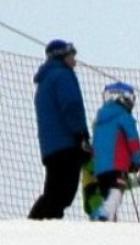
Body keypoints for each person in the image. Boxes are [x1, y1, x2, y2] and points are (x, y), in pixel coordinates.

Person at [29, 39, 91, 220]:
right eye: (72, 55)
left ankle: (43, 223)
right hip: (66, 144)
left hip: (51, 146)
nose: (75, 60)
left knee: (54, 190)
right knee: (62, 192)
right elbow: (71, 106)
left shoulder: (45, 80)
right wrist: (81, 134)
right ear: (62, 56)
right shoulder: (63, 75)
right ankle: (38, 224)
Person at [91, 82, 140, 221]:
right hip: (117, 164)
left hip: (100, 168)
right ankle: (102, 214)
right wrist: (137, 161)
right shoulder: (124, 117)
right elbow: (133, 140)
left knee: (108, 194)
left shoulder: (99, 120)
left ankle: (109, 221)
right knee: (117, 189)